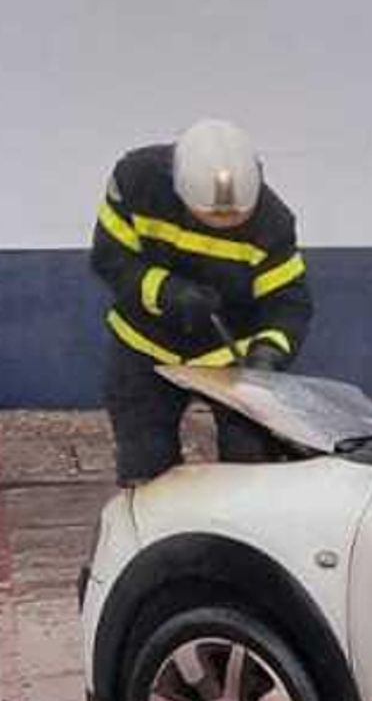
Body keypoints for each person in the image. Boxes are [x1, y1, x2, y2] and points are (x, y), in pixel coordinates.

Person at [90, 118, 313, 484]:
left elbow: (289, 303)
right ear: (180, 188)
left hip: (229, 358)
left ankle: (238, 517)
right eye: (210, 214)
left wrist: (269, 353)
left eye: (237, 215)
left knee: (250, 462)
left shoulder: (272, 223)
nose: (225, 220)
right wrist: (164, 291)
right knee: (146, 460)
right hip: (144, 347)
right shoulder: (136, 182)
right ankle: (153, 515)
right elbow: (110, 258)